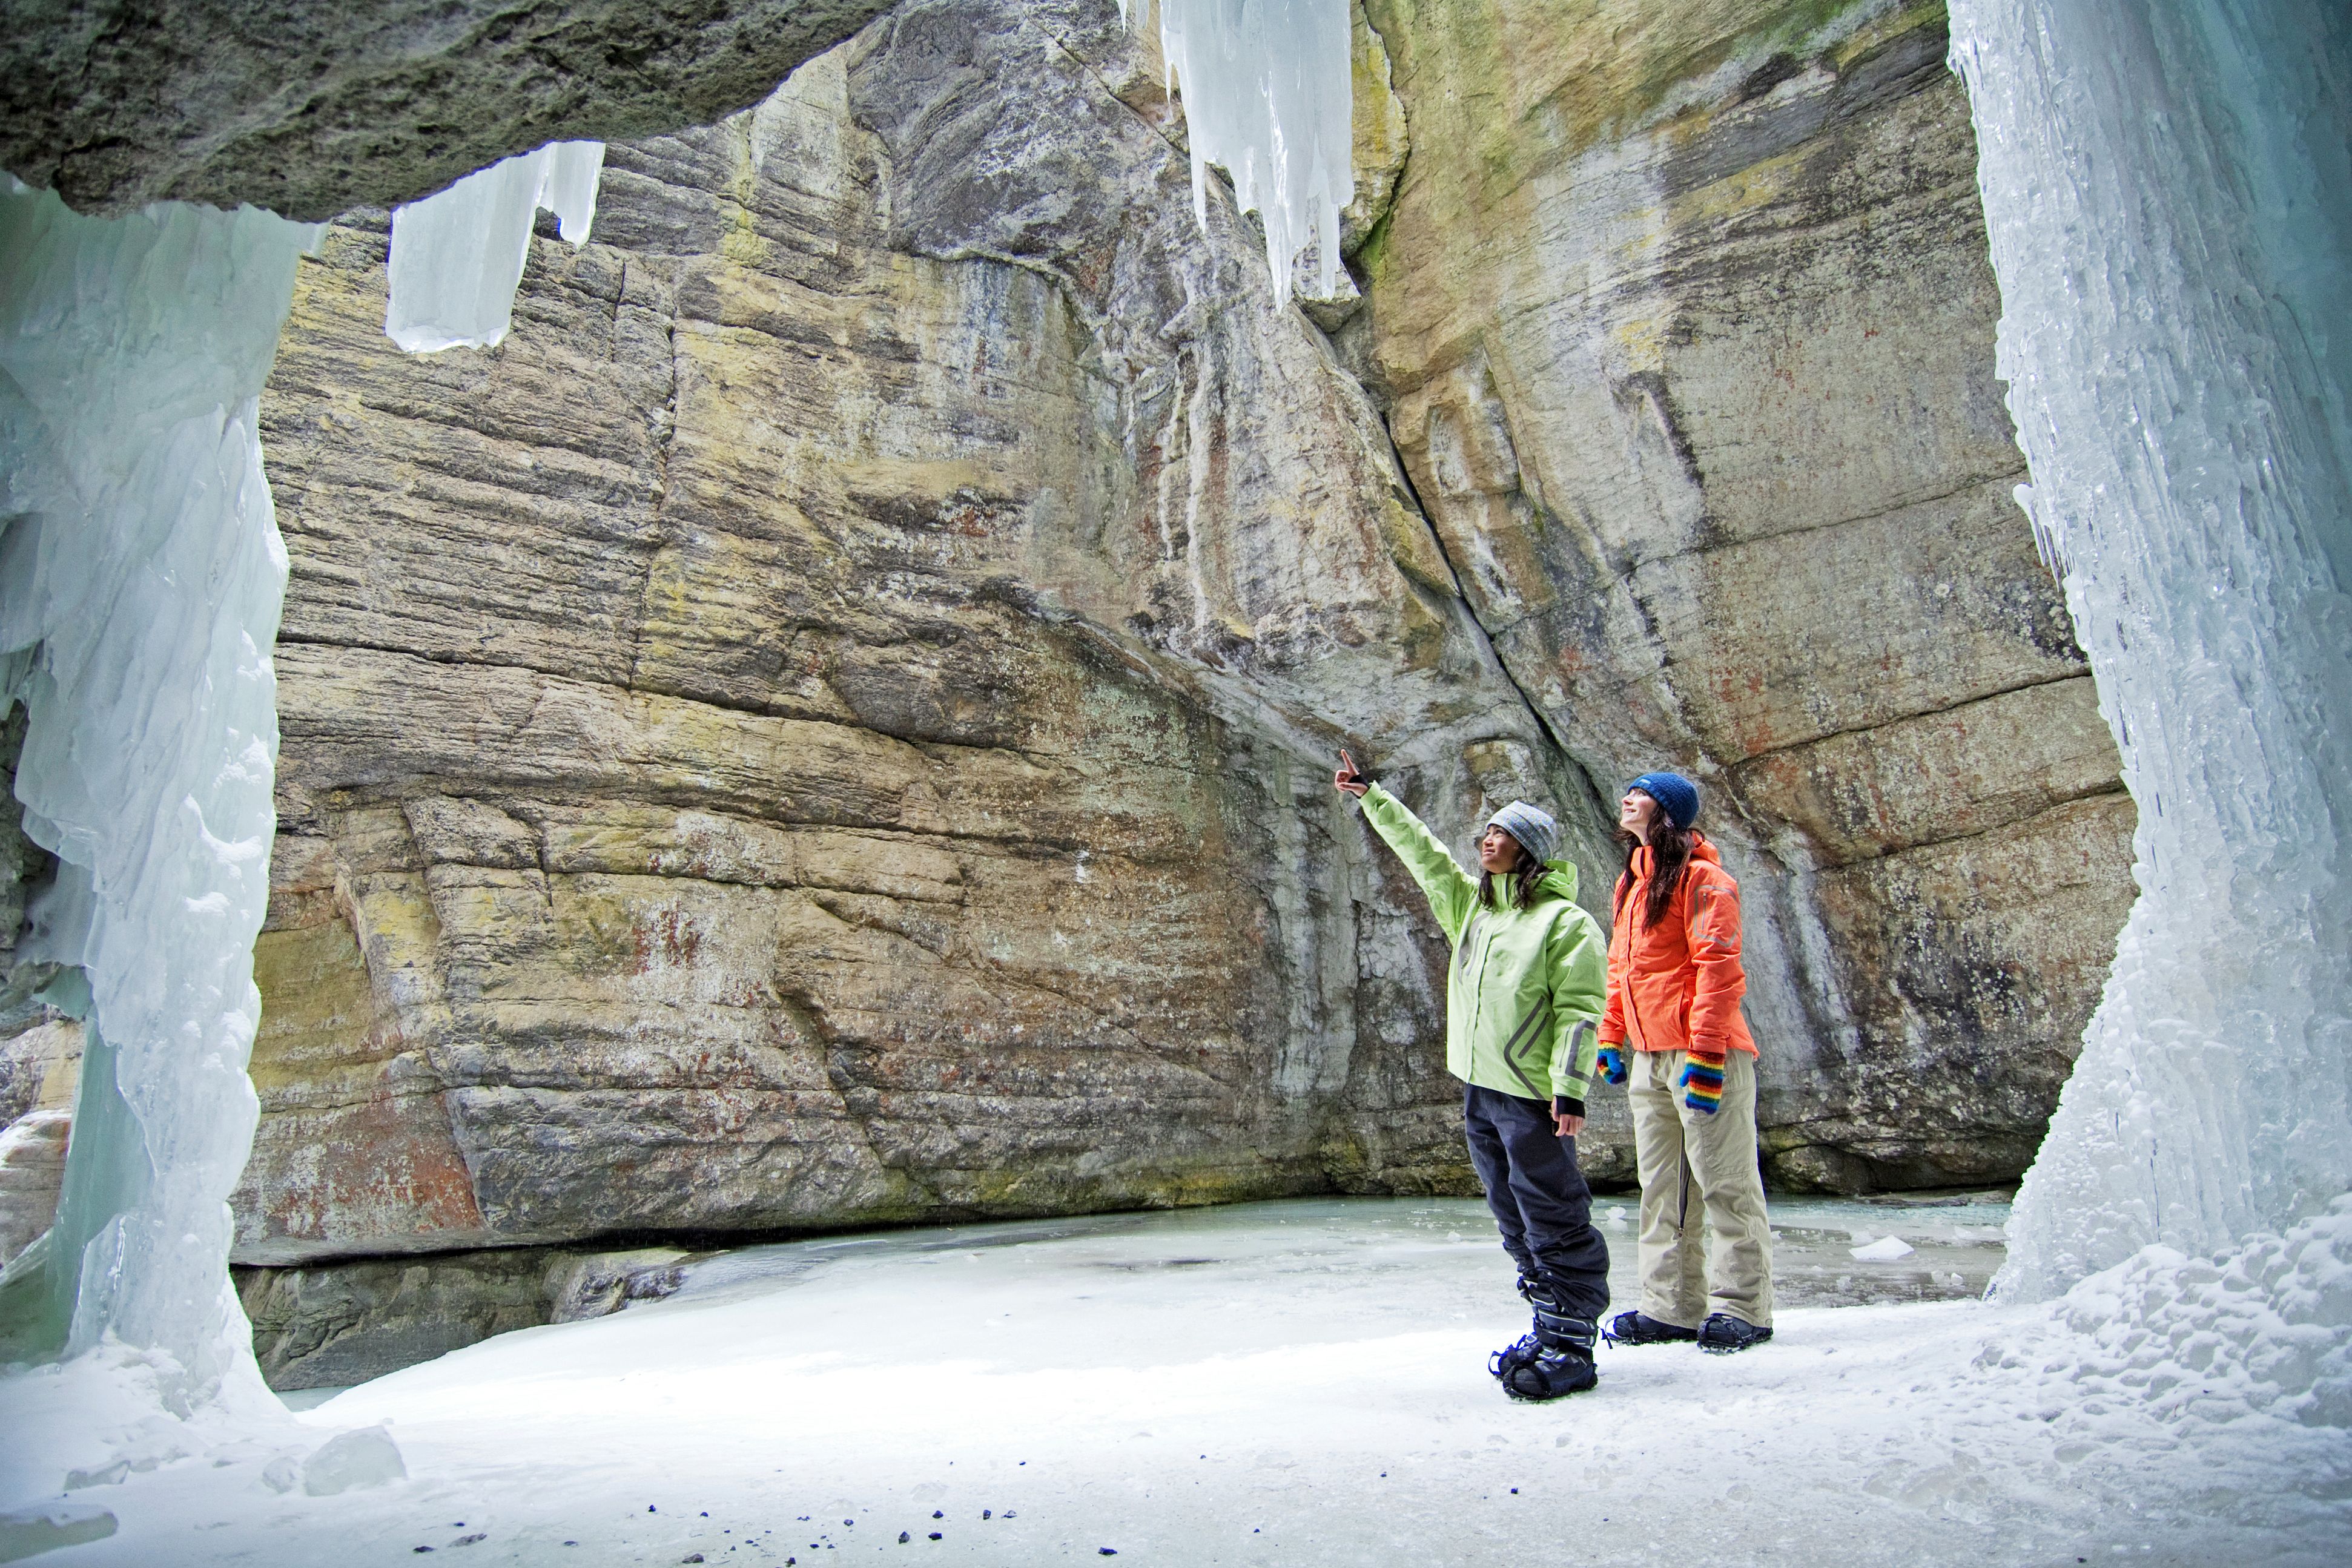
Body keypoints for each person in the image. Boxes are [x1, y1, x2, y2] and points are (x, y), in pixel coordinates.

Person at [1333, 749, 1611, 1400]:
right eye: (1486, 831)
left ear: (1530, 850)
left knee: (1552, 1209)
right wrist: (1371, 797)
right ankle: (1548, 1319)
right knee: (1509, 1208)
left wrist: (1569, 1089)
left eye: (1502, 834)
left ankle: (1572, 1342)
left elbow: (1579, 1011)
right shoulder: (1474, 913)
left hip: (1533, 1097)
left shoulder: (1563, 923)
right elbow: (1424, 855)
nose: (1488, 839)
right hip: (1481, 1089)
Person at [1594, 771, 1774, 1354]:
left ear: (1667, 812)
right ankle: (1671, 1307)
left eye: (1639, 793)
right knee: (1662, 1188)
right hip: (1649, 1056)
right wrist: (1611, 1037)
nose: (1627, 799)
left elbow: (1718, 971)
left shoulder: (1705, 880)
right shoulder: (1632, 886)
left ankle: (1743, 1307)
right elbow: (1621, 971)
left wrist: (1705, 1054)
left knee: (1725, 1182)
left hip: (1705, 1054)